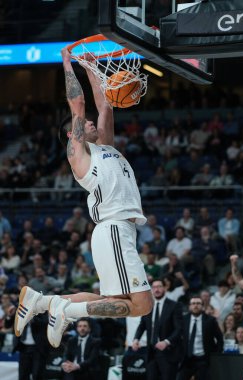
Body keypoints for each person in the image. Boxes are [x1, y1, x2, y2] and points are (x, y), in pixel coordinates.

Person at [15, 47, 153, 349]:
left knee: (117, 302)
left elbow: (105, 107)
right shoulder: (79, 153)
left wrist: (91, 66)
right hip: (114, 227)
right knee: (142, 305)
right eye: (84, 123)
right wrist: (68, 63)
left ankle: (41, 302)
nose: (90, 122)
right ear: (72, 135)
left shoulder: (106, 147)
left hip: (120, 231)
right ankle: (65, 309)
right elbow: (77, 103)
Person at [132, 279, 183, 380]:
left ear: (164, 288)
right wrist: (136, 339)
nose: (157, 289)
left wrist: (167, 342)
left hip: (168, 352)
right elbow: (142, 325)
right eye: (154, 287)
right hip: (151, 351)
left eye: (159, 286)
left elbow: (179, 329)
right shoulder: (148, 306)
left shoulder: (174, 306)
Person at [177, 296, 223, 380]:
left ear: (202, 306)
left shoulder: (210, 320)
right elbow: (178, 338)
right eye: (193, 303)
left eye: (198, 303)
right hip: (187, 358)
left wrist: (217, 354)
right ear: (189, 306)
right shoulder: (184, 320)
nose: (195, 306)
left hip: (203, 359)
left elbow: (219, 338)